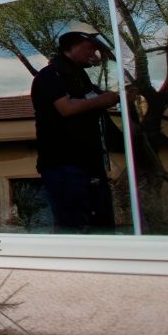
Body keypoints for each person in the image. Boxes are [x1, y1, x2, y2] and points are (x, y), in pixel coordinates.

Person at [28, 31, 121, 233]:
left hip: (90, 165)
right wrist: (103, 100)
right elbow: (66, 108)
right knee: (73, 228)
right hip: (64, 167)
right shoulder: (50, 75)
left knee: (101, 228)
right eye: (90, 48)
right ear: (72, 47)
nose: (94, 54)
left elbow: (93, 101)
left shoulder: (81, 77)